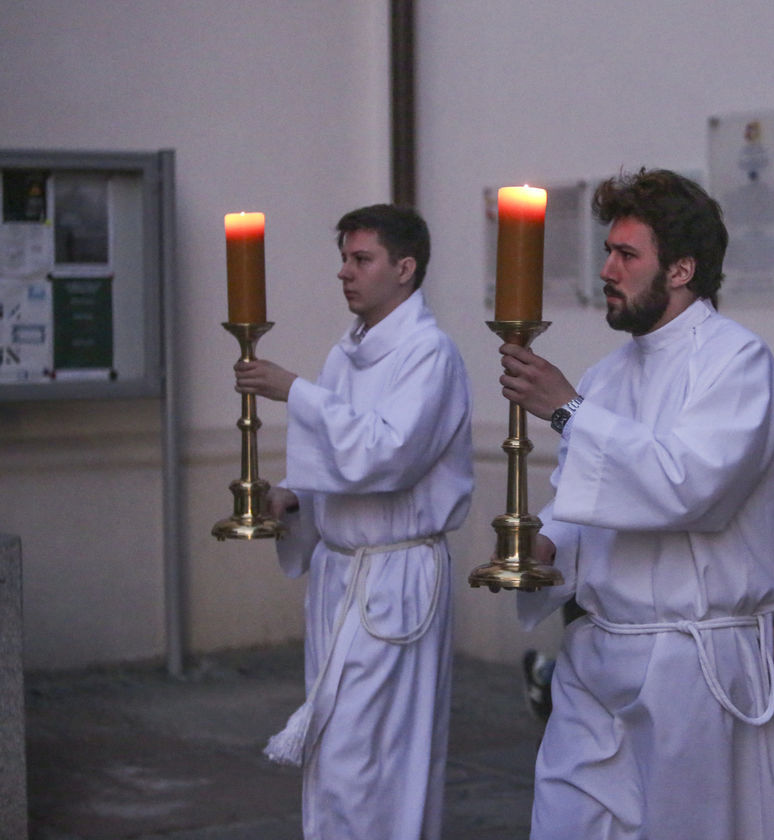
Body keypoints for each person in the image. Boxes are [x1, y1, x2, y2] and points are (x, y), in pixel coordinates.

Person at [498, 168, 774, 840]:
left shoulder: (738, 362)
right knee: (567, 823)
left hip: (691, 660)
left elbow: (690, 486)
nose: (607, 270)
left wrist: (567, 410)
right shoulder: (607, 375)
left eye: (627, 255)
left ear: (682, 269)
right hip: (598, 651)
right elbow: (582, 503)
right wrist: (544, 545)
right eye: (608, 251)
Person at [233, 204, 473, 840]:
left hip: (395, 577)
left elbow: (388, 454)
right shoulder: (347, 354)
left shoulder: (430, 354)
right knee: (336, 752)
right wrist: (293, 500)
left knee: (372, 758)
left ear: (405, 267)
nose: (345, 272)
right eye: (344, 258)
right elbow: (337, 467)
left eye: (361, 259)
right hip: (342, 576)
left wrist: (295, 391)